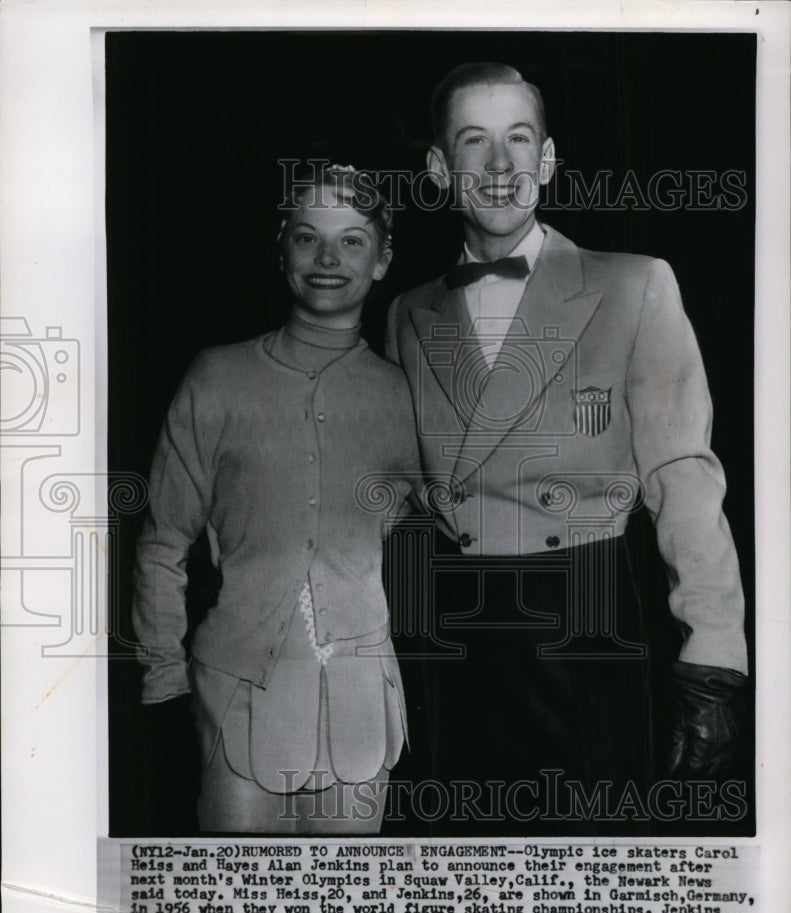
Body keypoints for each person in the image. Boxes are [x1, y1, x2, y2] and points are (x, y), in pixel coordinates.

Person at [386, 62, 748, 832]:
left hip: (584, 619)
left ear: (546, 160)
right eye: (472, 142)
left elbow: (683, 477)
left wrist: (713, 658)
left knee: (581, 873)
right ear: (438, 168)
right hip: (450, 639)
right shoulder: (405, 315)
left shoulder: (634, 285)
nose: (498, 166)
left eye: (518, 140)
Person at [133, 165, 419, 834]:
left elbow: (468, 505)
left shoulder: (405, 394)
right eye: (306, 238)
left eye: (351, 241)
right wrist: (165, 675)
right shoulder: (217, 375)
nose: (327, 260)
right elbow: (162, 542)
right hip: (235, 691)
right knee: (239, 911)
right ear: (281, 252)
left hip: (361, 703)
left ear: (382, 261)